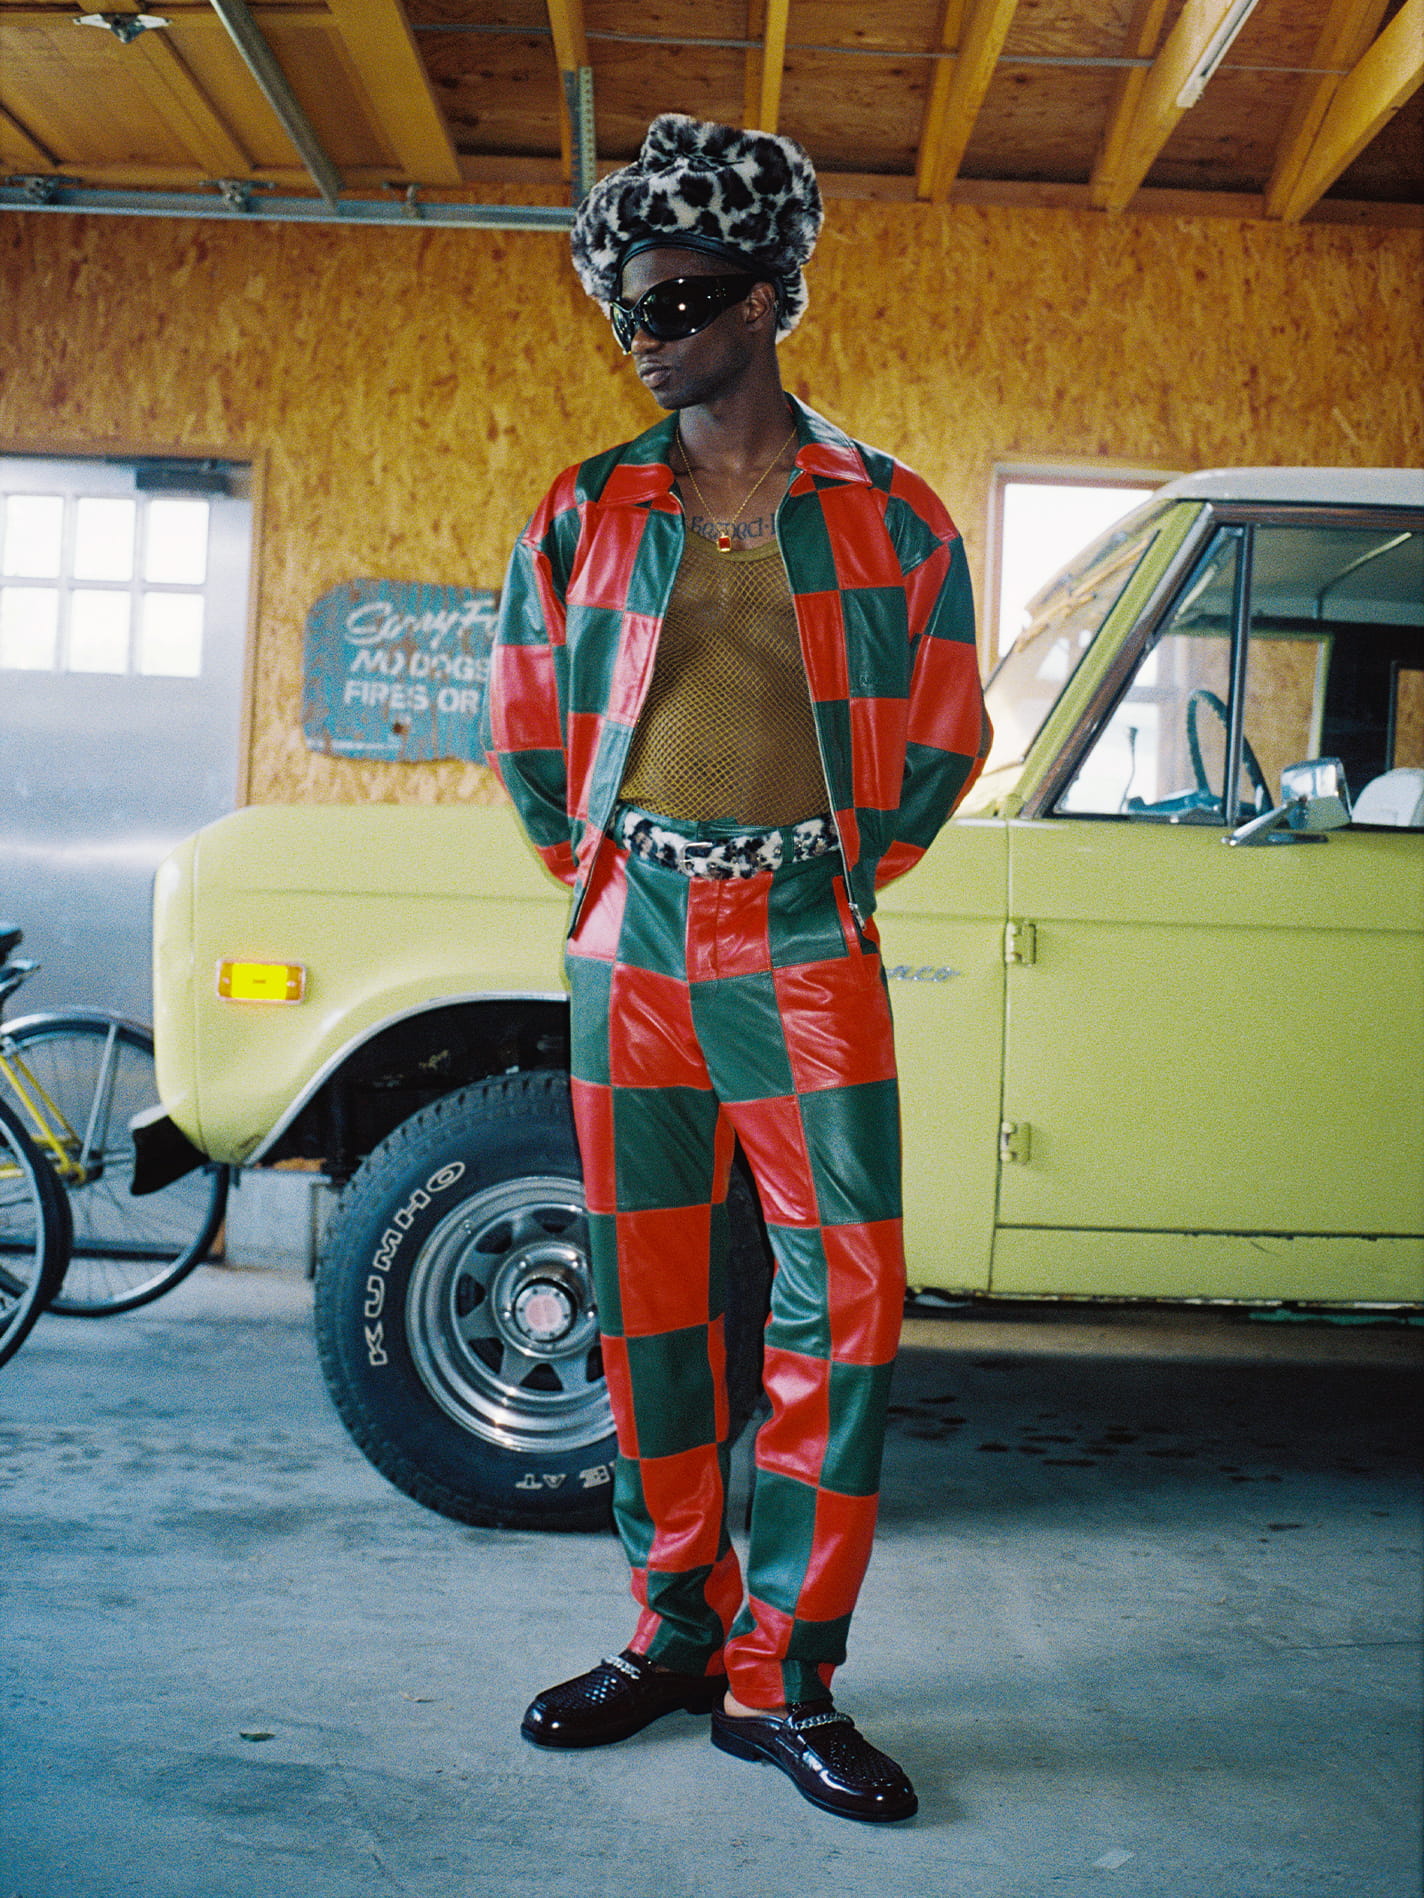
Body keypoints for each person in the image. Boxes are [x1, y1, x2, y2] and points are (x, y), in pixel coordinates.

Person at [481, 113, 990, 1825]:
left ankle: (785, 1675)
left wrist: (817, 875)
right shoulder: (586, 509)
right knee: (647, 1292)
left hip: (806, 934)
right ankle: (673, 1630)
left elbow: (942, 735)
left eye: (680, 299)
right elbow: (529, 732)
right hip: (630, 934)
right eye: (628, 305)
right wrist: (616, 875)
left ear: (765, 298)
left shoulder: (893, 516)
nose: (646, 330)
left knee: (844, 1298)